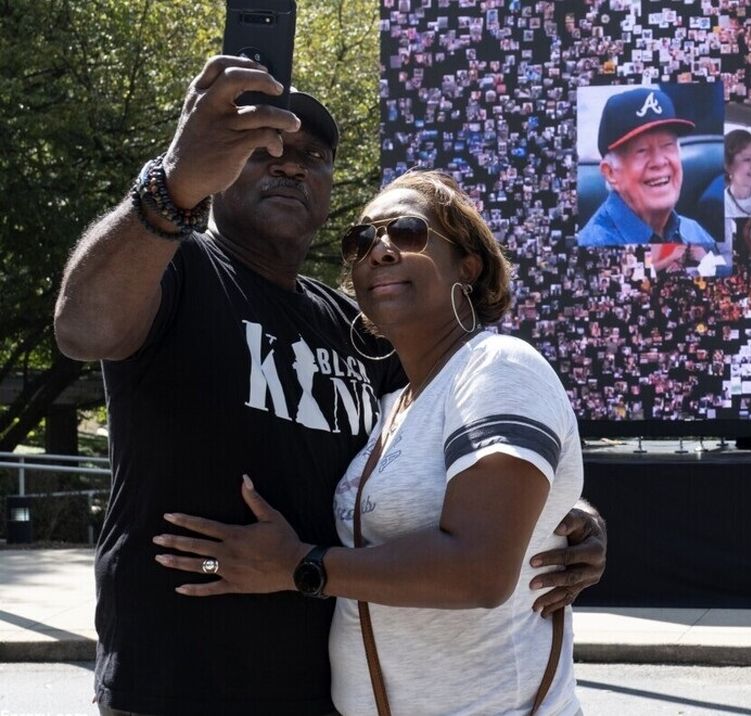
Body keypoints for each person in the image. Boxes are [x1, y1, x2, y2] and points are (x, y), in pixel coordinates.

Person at [53, 56, 605, 716]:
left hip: (321, 694)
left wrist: (564, 518)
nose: (290, 164)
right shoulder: (176, 267)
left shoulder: (361, 335)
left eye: (312, 156)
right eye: (263, 151)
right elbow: (83, 327)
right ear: (221, 168)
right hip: (179, 688)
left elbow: (457, 457)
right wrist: (173, 185)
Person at [154, 169, 583, 715]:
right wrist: (574, 515)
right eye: (361, 240)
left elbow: (479, 570)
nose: (378, 250)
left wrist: (299, 566)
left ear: (468, 266)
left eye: (407, 231)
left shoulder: (498, 365)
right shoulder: (390, 407)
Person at [577, 86, 718, 255]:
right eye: (641, 150)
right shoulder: (594, 246)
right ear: (610, 173)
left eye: (667, 146)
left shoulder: (693, 231)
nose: (659, 162)